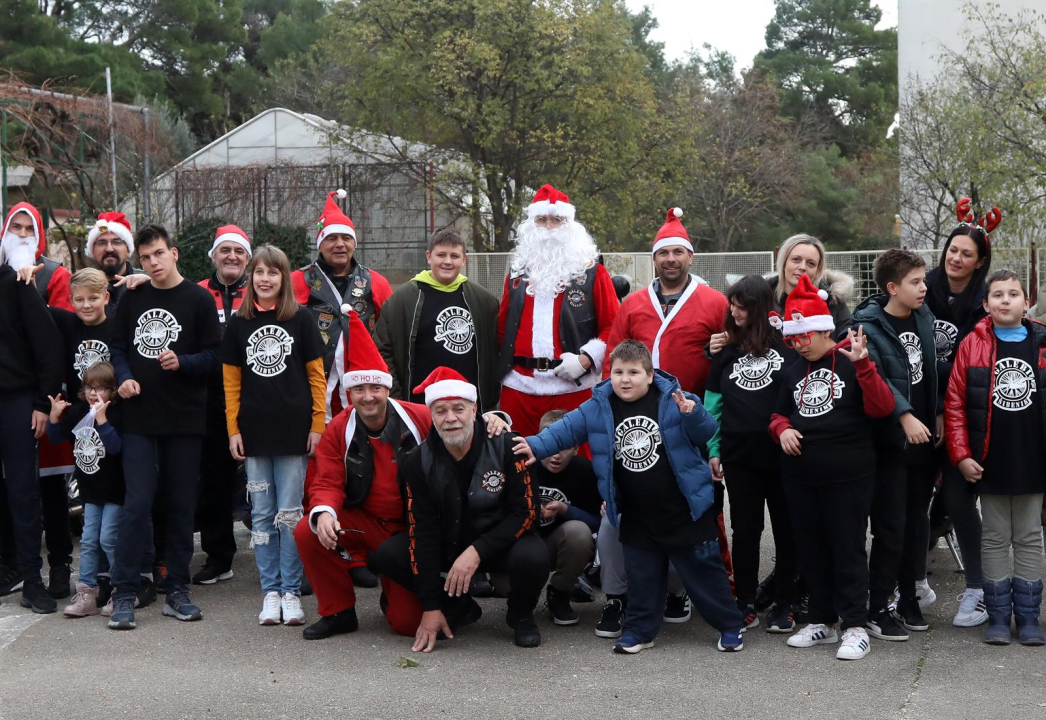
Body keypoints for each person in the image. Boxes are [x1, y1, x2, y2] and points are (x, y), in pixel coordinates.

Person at [516, 341, 745, 654]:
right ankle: (639, 631)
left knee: (705, 574)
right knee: (642, 578)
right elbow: (565, 429)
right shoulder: (599, 405)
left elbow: (706, 432)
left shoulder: (675, 398)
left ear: (650, 375)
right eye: (618, 372)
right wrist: (535, 446)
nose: (624, 379)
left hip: (684, 509)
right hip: (637, 511)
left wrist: (693, 415)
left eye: (633, 372)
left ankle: (730, 626)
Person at [296, 331, 510, 640]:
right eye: (358, 389)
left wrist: (495, 419)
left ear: (387, 388)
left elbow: (457, 424)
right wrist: (325, 511)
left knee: (407, 625)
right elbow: (327, 479)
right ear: (349, 393)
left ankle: (413, 597)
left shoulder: (417, 416)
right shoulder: (339, 428)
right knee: (308, 529)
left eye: (374, 387)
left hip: (413, 528)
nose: (367, 396)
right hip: (366, 522)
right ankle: (337, 612)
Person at [602, 207, 734, 616]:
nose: (671, 260)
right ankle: (632, 591)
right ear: (654, 259)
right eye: (664, 254)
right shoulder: (635, 303)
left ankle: (699, 586)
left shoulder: (714, 302)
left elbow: (733, 361)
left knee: (696, 503)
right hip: (637, 419)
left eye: (678, 252)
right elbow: (613, 354)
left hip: (690, 417)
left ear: (691, 257)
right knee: (642, 501)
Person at [372, 367, 548, 650]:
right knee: (390, 553)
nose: (450, 418)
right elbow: (422, 530)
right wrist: (430, 606)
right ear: (431, 414)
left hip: (499, 545)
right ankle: (456, 605)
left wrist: (477, 551)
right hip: (448, 546)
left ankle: (520, 615)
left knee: (535, 554)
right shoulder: (416, 461)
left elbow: (526, 514)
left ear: (474, 408)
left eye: (458, 408)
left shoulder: (507, 446)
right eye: (441, 410)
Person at [769, 276, 895, 661]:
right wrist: (783, 429)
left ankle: (855, 624)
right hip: (801, 476)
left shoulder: (853, 359)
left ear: (823, 328)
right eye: (792, 339)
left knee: (848, 548)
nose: (797, 344)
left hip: (849, 474)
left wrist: (865, 368)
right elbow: (776, 414)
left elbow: (883, 408)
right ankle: (822, 619)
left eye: (803, 337)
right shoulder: (792, 369)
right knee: (812, 549)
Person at [107, 224, 221, 630]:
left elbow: (215, 356)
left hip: (185, 418)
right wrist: (122, 376)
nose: (152, 263)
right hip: (139, 417)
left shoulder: (199, 299)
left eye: (158, 254)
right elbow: (117, 347)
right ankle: (124, 592)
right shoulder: (133, 296)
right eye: (145, 257)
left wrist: (183, 363)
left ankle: (178, 589)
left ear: (174, 253)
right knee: (137, 503)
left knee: (179, 506)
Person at [222, 245, 326, 626]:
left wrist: (318, 425)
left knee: (290, 515)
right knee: (262, 516)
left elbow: (317, 377)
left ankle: (291, 592)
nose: (265, 279)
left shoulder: (301, 320)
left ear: (284, 279)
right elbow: (230, 382)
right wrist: (233, 428)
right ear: (251, 279)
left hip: (294, 433)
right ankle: (270, 592)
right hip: (254, 436)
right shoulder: (238, 323)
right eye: (259, 272)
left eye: (273, 272)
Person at [945, 269, 1046, 646]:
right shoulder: (973, 344)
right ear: (986, 304)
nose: (1006, 300)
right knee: (994, 537)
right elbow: (954, 404)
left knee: (1029, 538)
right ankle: (999, 616)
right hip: (990, 460)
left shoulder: (1041, 342)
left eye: (1014, 294)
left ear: (1026, 301)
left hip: (1032, 460)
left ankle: (1029, 617)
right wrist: (961, 455)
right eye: (998, 295)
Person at [854, 249, 941, 643]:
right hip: (890, 444)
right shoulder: (866, 326)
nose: (924, 288)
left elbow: (931, 373)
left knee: (916, 525)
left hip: (924, 444)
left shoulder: (923, 316)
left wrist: (934, 412)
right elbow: (873, 378)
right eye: (915, 282)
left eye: (923, 280)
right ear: (892, 287)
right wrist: (904, 415)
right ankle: (878, 606)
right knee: (890, 527)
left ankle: (908, 597)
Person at [705, 275, 799, 633]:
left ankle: (785, 602)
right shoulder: (726, 350)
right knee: (745, 530)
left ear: (759, 307)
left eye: (741, 306)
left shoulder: (786, 346)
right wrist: (713, 449)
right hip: (738, 456)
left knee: (787, 529)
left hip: (783, 456)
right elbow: (712, 405)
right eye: (732, 304)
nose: (734, 311)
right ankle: (743, 600)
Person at [496, 184, 619, 437]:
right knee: (518, 465)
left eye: (557, 220)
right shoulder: (517, 274)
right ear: (531, 225)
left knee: (576, 466)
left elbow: (614, 326)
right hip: (519, 390)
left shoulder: (593, 273)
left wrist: (586, 359)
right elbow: (502, 328)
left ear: (570, 225)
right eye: (542, 220)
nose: (549, 227)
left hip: (573, 390)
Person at [0, 202, 75, 600]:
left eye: (29, 229)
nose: (22, 234)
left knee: (25, 491)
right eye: (16, 227)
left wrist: (41, 404)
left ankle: (33, 579)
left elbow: (50, 348)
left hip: (16, 401)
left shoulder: (23, 284)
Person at [926, 198, 993, 628]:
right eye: (953, 249)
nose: (957, 257)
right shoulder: (922, 288)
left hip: (961, 417)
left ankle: (979, 588)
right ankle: (910, 583)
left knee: (959, 501)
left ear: (979, 262)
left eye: (967, 254)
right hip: (919, 413)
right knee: (912, 504)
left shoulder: (986, 303)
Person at [374, 227, 500, 411]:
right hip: (418, 408)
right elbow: (382, 350)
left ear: (464, 259)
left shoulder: (484, 301)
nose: (447, 262)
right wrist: (398, 402)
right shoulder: (402, 300)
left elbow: (496, 352)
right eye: (441, 255)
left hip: (469, 409)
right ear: (429, 256)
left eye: (454, 256)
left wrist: (489, 404)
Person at [291, 189, 393, 417]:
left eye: (346, 238)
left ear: (354, 244)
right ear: (319, 244)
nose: (340, 244)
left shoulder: (376, 282)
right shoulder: (297, 280)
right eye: (331, 238)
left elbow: (390, 337)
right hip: (311, 385)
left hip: (364, 389)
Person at [193, 225, 252, 586]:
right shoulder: (196, 292)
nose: (231, 256)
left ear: (248, 257)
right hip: (209, 400)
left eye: (239, 251)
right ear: (213, 255)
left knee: (265, 481)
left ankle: (282, 559)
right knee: (214, 479)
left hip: (257, 398)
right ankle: (218, 557)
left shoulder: (261, 289)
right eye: (225, 250)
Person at [46, 362, 124, 618]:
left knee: (108, 540)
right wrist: (54, 417)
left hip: (115, 492)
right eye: (90, 386)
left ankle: (121, 591)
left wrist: (102, 420)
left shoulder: (116, 412)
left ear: (113, 390)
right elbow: (57, 438)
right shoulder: (79, 411)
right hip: (90, 492)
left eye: (101, 388)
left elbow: (116, 447)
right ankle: (87, 593)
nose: (94, 393)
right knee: (89, 541)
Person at [531, 409, 601, 627]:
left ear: (576, 448)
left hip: (559, 545)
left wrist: (565, 510)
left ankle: (559, 591)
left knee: (579, 533)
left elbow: (596, 522)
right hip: (523, 542)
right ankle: (522, 600)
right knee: (505, 585)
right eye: (550, 445)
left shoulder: (584, 470)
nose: (556, 454)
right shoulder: (523, 464)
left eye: (564, 447)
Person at [766, 234, 853, 339]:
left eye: (811, 264)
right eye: (796, 259)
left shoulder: (832, 299)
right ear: (784, 262)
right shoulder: (761, 296)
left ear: (818, 270)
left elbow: (848, 338)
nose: (802, 267)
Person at [84, 212, 145, 316]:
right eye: (102, 243)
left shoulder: (145, 284)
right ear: (93, 251)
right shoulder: (83, 287)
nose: (109, 249)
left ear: (128, 249)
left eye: (116, 242)